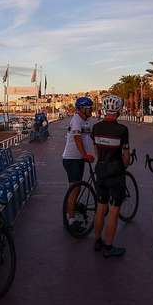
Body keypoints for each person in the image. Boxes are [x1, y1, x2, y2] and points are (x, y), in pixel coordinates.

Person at [91, 94, 131, 258]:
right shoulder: (122, 130)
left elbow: (95, 149)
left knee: (101, 207)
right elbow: (126, 157)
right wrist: (125, 164)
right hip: (116, 172)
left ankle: (97, 240)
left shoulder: (96, 128)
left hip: (100, 170)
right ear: (118, 111)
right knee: (114, 210)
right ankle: (109, 247)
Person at [63, 96, 94, 232]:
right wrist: (85, 155)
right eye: (89, 108)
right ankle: (70, 220)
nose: (91, 110)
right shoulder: (76, 120)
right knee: (75, 189)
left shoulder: (86, 121)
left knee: (77, 188)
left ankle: (72, 209)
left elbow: (91, 137)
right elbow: (77, 139)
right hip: (72, 159)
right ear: (81, 109)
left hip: (79, 159)